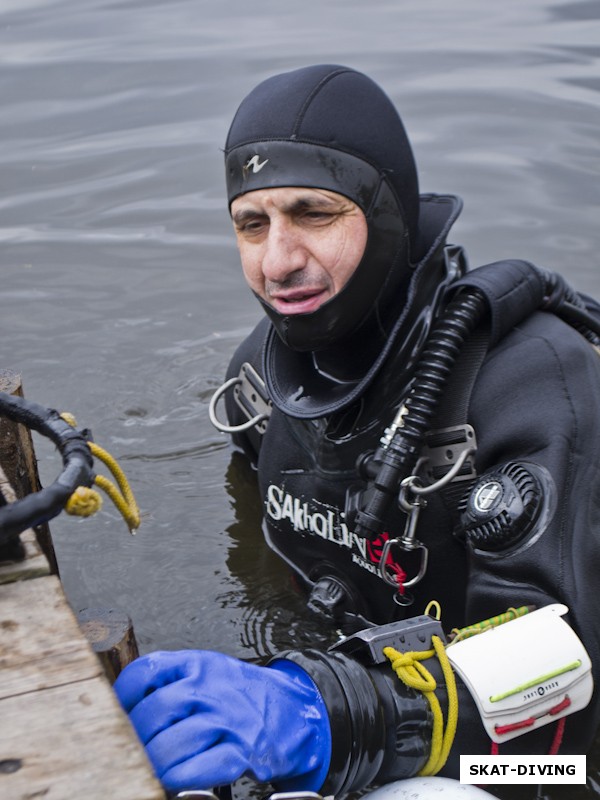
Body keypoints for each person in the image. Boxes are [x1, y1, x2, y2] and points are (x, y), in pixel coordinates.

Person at [114, 65, 600, 796]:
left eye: (313, 212)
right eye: (253, 223)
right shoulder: (260, 384)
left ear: (389, 213)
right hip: (371, 712)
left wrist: (330, 713)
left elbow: (557, 670)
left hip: (554, 766)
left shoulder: (530, 384)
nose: (278, 261)